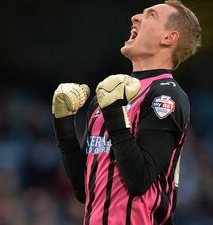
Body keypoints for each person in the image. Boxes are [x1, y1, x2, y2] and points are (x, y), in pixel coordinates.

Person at [52, 1, 201, 224]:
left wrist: (114, 111)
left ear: (169, 38)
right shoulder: (107, 96)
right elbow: (84, 191)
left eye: (150, 15)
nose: (135, 18)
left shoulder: (165, 96)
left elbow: (139, 179)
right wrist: (64, 125)